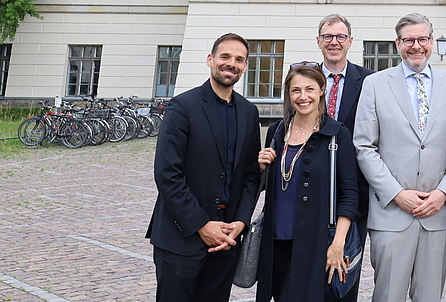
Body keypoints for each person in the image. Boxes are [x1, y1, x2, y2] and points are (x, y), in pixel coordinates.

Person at [353, 13, 446, 302]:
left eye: (422, 39)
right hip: (391, 214)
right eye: (409, 40)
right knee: (387, 295)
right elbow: (365, 146)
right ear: (398, 44)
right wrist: (396, 194)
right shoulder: (375, 84)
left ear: (431, 41)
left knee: (429, 297)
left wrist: (443, 193)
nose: (416, 46)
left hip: (437, 214)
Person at [147, 33, 261, 302]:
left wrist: (241, 222)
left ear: (245, 66)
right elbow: (167, 174)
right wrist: (201, 224)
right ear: (211, 60)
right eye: (225, 57)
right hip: (181, 237)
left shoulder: (249, 112)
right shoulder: (182, 107)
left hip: (227, 238)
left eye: (239, 59)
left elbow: (251, 174)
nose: (231, 63)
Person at [255, 64, 358, 301]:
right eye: (296, 91)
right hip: (276, 240)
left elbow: (350, 194)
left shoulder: (336, 134)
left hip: (316, 242)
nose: (303, 97)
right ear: (288, 95)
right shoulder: (277, 131)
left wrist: (338, 243)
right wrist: (262, 168)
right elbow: (266, 186)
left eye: (309, 89)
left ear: (322, 90)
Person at [317, 14, 374, 302]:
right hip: (311, 188)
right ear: (319, 41)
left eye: (340, 37)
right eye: (328, 36)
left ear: (350, 41)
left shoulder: (370, 82)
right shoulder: (307, 78)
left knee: (344, 275)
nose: (334, 42)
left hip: (354, 190)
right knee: (308, 273)